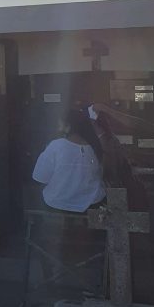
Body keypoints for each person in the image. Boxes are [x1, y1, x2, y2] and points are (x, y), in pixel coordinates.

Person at [32, 108, 106, 295]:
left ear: (68, 124)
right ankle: (92, 285)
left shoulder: (56, 146)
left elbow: (39, 177)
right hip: (90, 212)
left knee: (48, 244)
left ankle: (53, 281)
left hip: (56, 210)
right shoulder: (95, 147)